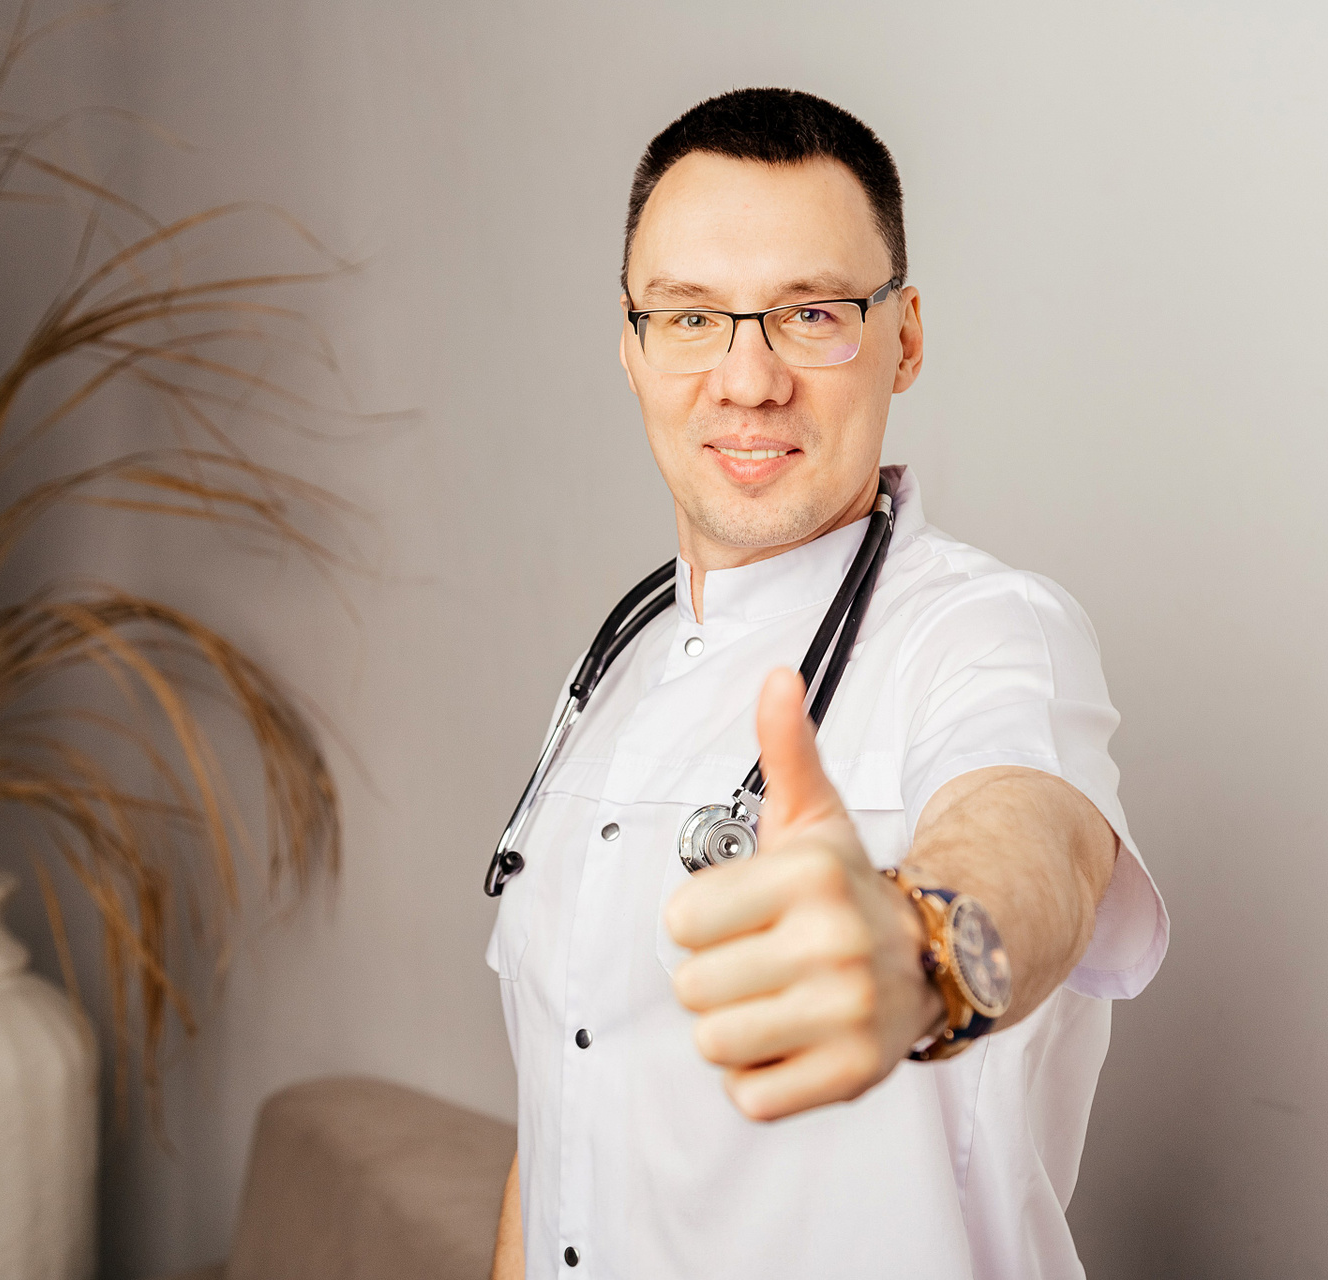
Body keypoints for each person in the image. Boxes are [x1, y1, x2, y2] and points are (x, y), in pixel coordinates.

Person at [487, 88, 1167, 1280]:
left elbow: (1034, 847)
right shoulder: (614, 668)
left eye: (811, 314)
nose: (747, 380)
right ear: (633, 347)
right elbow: (561, 1113)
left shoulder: (986, 631)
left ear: (905, 337)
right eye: (690, 317)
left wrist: (923, 951)